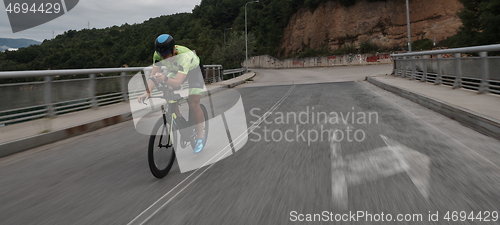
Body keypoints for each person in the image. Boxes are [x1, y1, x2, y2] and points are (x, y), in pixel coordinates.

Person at [138, 34, 206, 153]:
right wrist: (147, 92)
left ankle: (200, 136)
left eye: (167, 55)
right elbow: (153, 76)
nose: (164, 58)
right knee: (167, 90)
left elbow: (177, 82)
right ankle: (177, 118)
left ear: (174, 50)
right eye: (162, 55)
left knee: (194, 103)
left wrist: (164, 79)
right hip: (178, 70)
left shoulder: (183, 56)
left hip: (195, 71)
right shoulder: (158, 55)